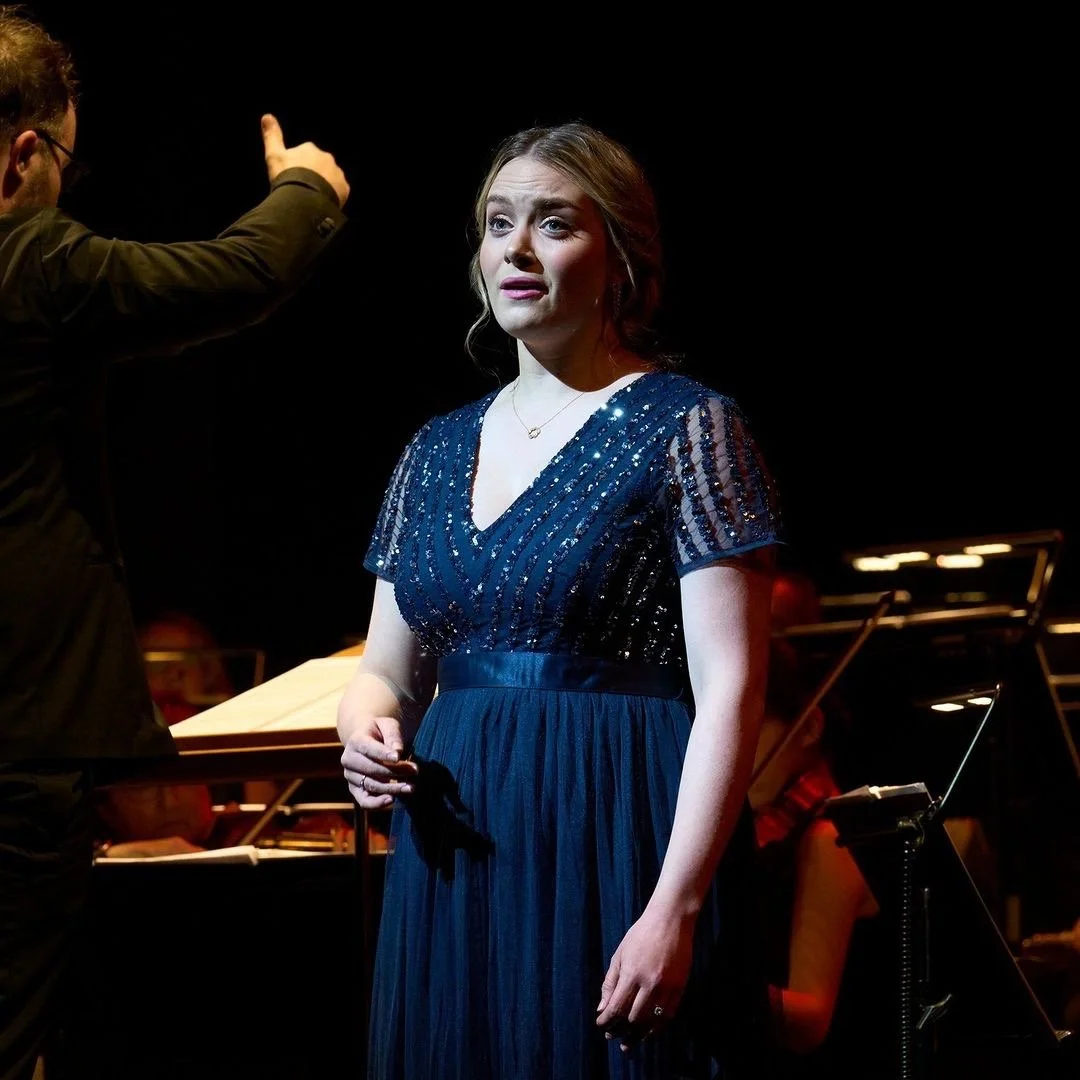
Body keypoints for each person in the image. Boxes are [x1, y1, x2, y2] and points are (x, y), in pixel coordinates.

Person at [337, 119, 783, 1080]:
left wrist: (677, 906)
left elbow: (732, 689)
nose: (518, 249)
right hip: (458, 835)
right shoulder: (435, 448)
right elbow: (384, 668)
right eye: (500, 225)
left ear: (619, 257)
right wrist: (363, 731)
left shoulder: (689, 427)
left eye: (554, 224)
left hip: (614, 818)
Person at [0, 7, 349, 1078]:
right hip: (20, 728)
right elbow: (232, 274)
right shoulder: (29, 258)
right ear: (24, 154)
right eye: (66, 156)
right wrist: (309, 191)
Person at [750, 569, 885, 1077]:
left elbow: (810, 1018)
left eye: (750, 731)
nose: (732, 756)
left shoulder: (832, 839)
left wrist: (701, 987)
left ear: (807, 725)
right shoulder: (766, 829)